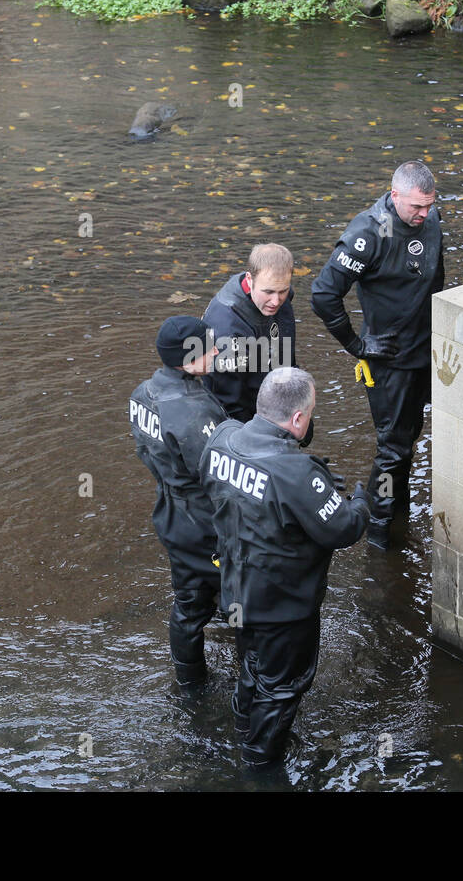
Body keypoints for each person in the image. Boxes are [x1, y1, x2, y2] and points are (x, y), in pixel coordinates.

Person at [200, 367, 370, 768]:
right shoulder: (295, 472)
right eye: (309, 413)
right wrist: (360, 502)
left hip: (235, 591)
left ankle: (245, 727)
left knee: (252, 666)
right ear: (297, 419)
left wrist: (312, 485)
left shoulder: (222, 437)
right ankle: (260, 764)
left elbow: (217, 488)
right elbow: (343, 529)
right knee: (282, 687)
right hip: (283, 606)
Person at [310, 160, 446, 550]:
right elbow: (323, 295)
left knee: (408, 440)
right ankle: (379, 537)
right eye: (416, 207)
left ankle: (398, 517)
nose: (424, 214)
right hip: (388, 359)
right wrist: (357, 345)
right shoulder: (369, 233)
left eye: (429, 206)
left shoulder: (431, 218)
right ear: (395, 195)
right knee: (393, 447)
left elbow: (436, 276)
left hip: (425, 349)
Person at [129, 316, 229, 687]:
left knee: (189, 600)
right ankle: (232, 683)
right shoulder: (191, 408)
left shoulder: (144, 391)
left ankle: (189, 681)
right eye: (209, 348)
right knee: (227, 597)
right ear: (187, 358)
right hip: (203, 520)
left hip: (169, 510)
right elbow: (219, 474)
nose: (217, 351)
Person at [202, 243, 298, 425]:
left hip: (272, 378)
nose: (276, 301)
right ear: (250, 279)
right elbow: (230, 402)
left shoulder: (274, 293)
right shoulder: (226, 326)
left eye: (283, 291)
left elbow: (286, 359)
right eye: (268, 292)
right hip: (237, 409)